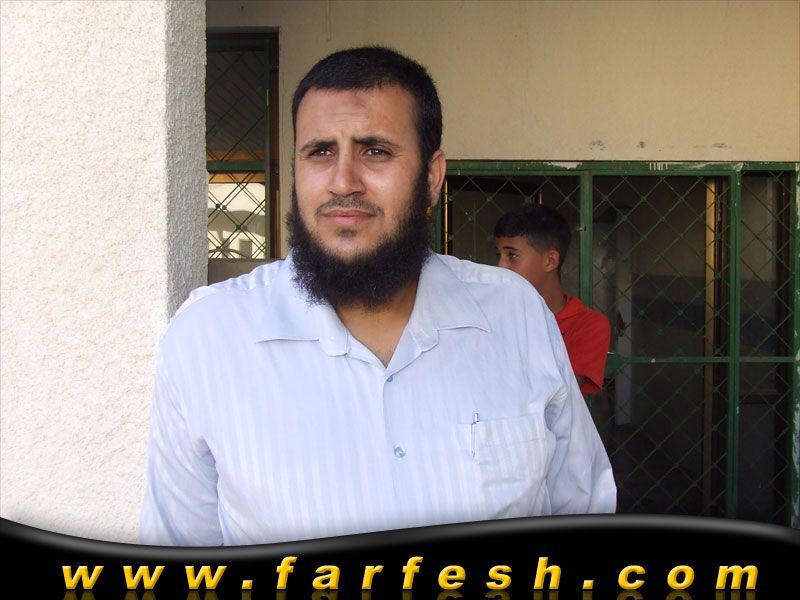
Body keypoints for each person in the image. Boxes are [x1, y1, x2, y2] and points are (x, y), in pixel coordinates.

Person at [140, 46, 615, 546]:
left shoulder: (515, 315)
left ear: (431, 177)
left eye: (375, 151)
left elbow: (584, 505)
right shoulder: (207, 338)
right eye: (320, 152)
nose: (343, 182)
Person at [494, 204, 611, 395]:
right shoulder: (492, 315)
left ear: (550, 261)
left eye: (512, 255)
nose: (500, 266)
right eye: (499, 255)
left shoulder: (588, 325)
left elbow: (558, 393)